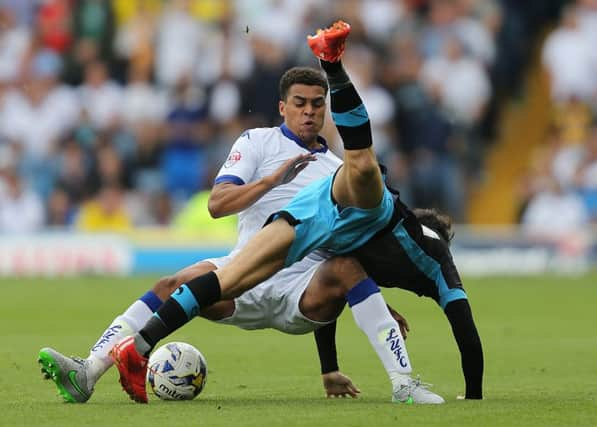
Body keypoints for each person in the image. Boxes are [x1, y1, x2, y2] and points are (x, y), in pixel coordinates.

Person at [39, 28, 443, 404]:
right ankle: (87, 373)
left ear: (327, 110)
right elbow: (218, 204)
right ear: (282, 107)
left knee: (348, 267)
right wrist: (271, 181)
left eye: (318, 105)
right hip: (241, 276)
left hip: (301, 290)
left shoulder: (337, 172)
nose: (309, 113)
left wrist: (368, 299)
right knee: (171, 283)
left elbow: (347, 247)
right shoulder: (256, 142)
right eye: (300, 104)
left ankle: (404, 384)